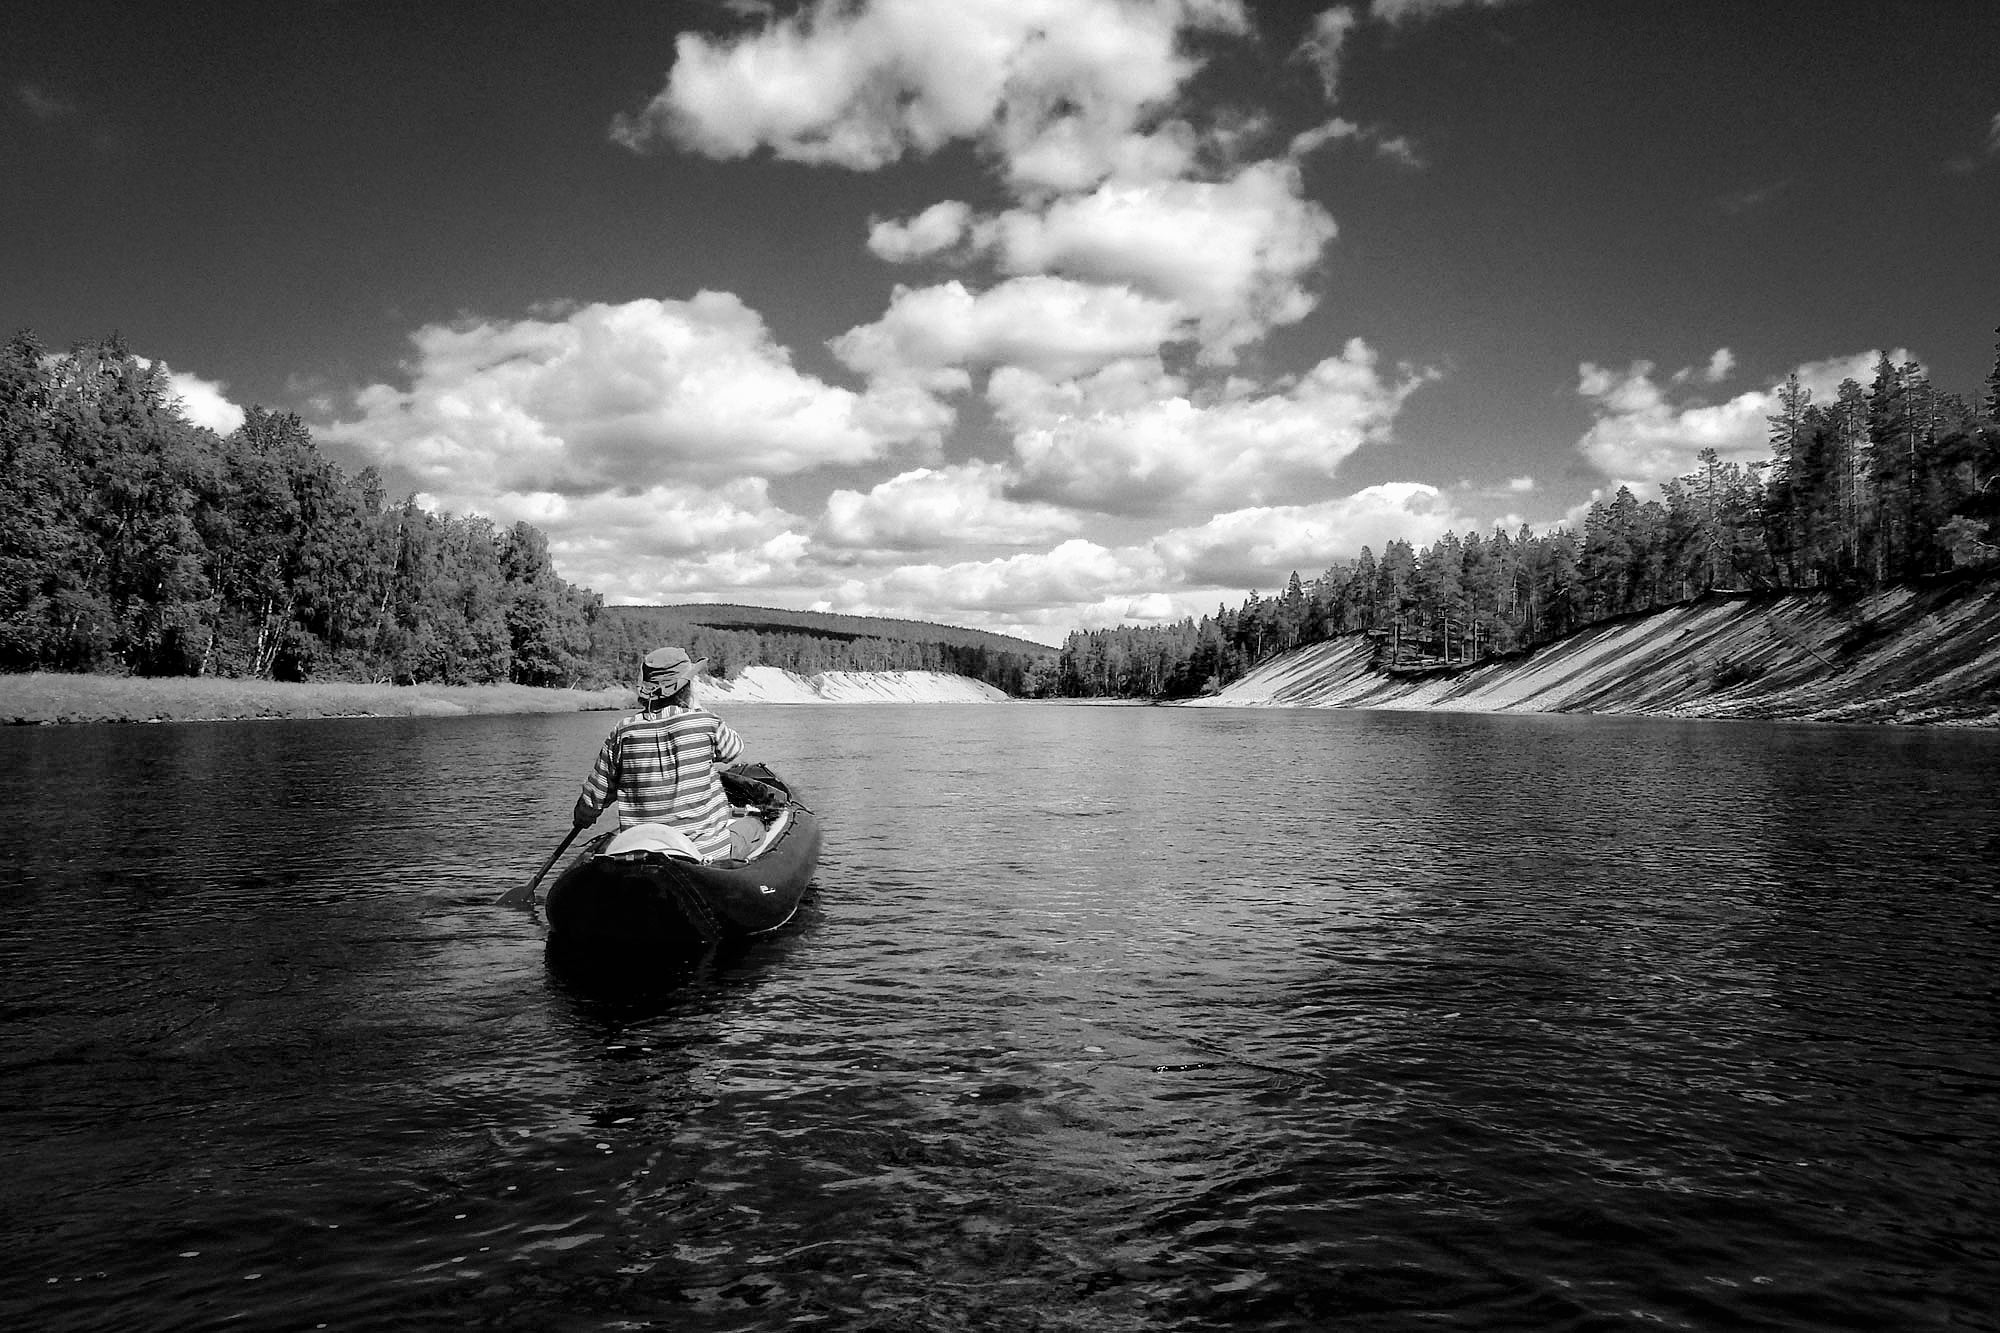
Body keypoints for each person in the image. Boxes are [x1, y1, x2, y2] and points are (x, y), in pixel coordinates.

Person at [572, 645, 746, 860]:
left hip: (639, 853)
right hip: (704, 855)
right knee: (753, 828)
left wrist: (583, 818)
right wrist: (697, 708)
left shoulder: (624, 731)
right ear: (687, 687)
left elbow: (595, 795)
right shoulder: (705, 722)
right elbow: (733, 750)